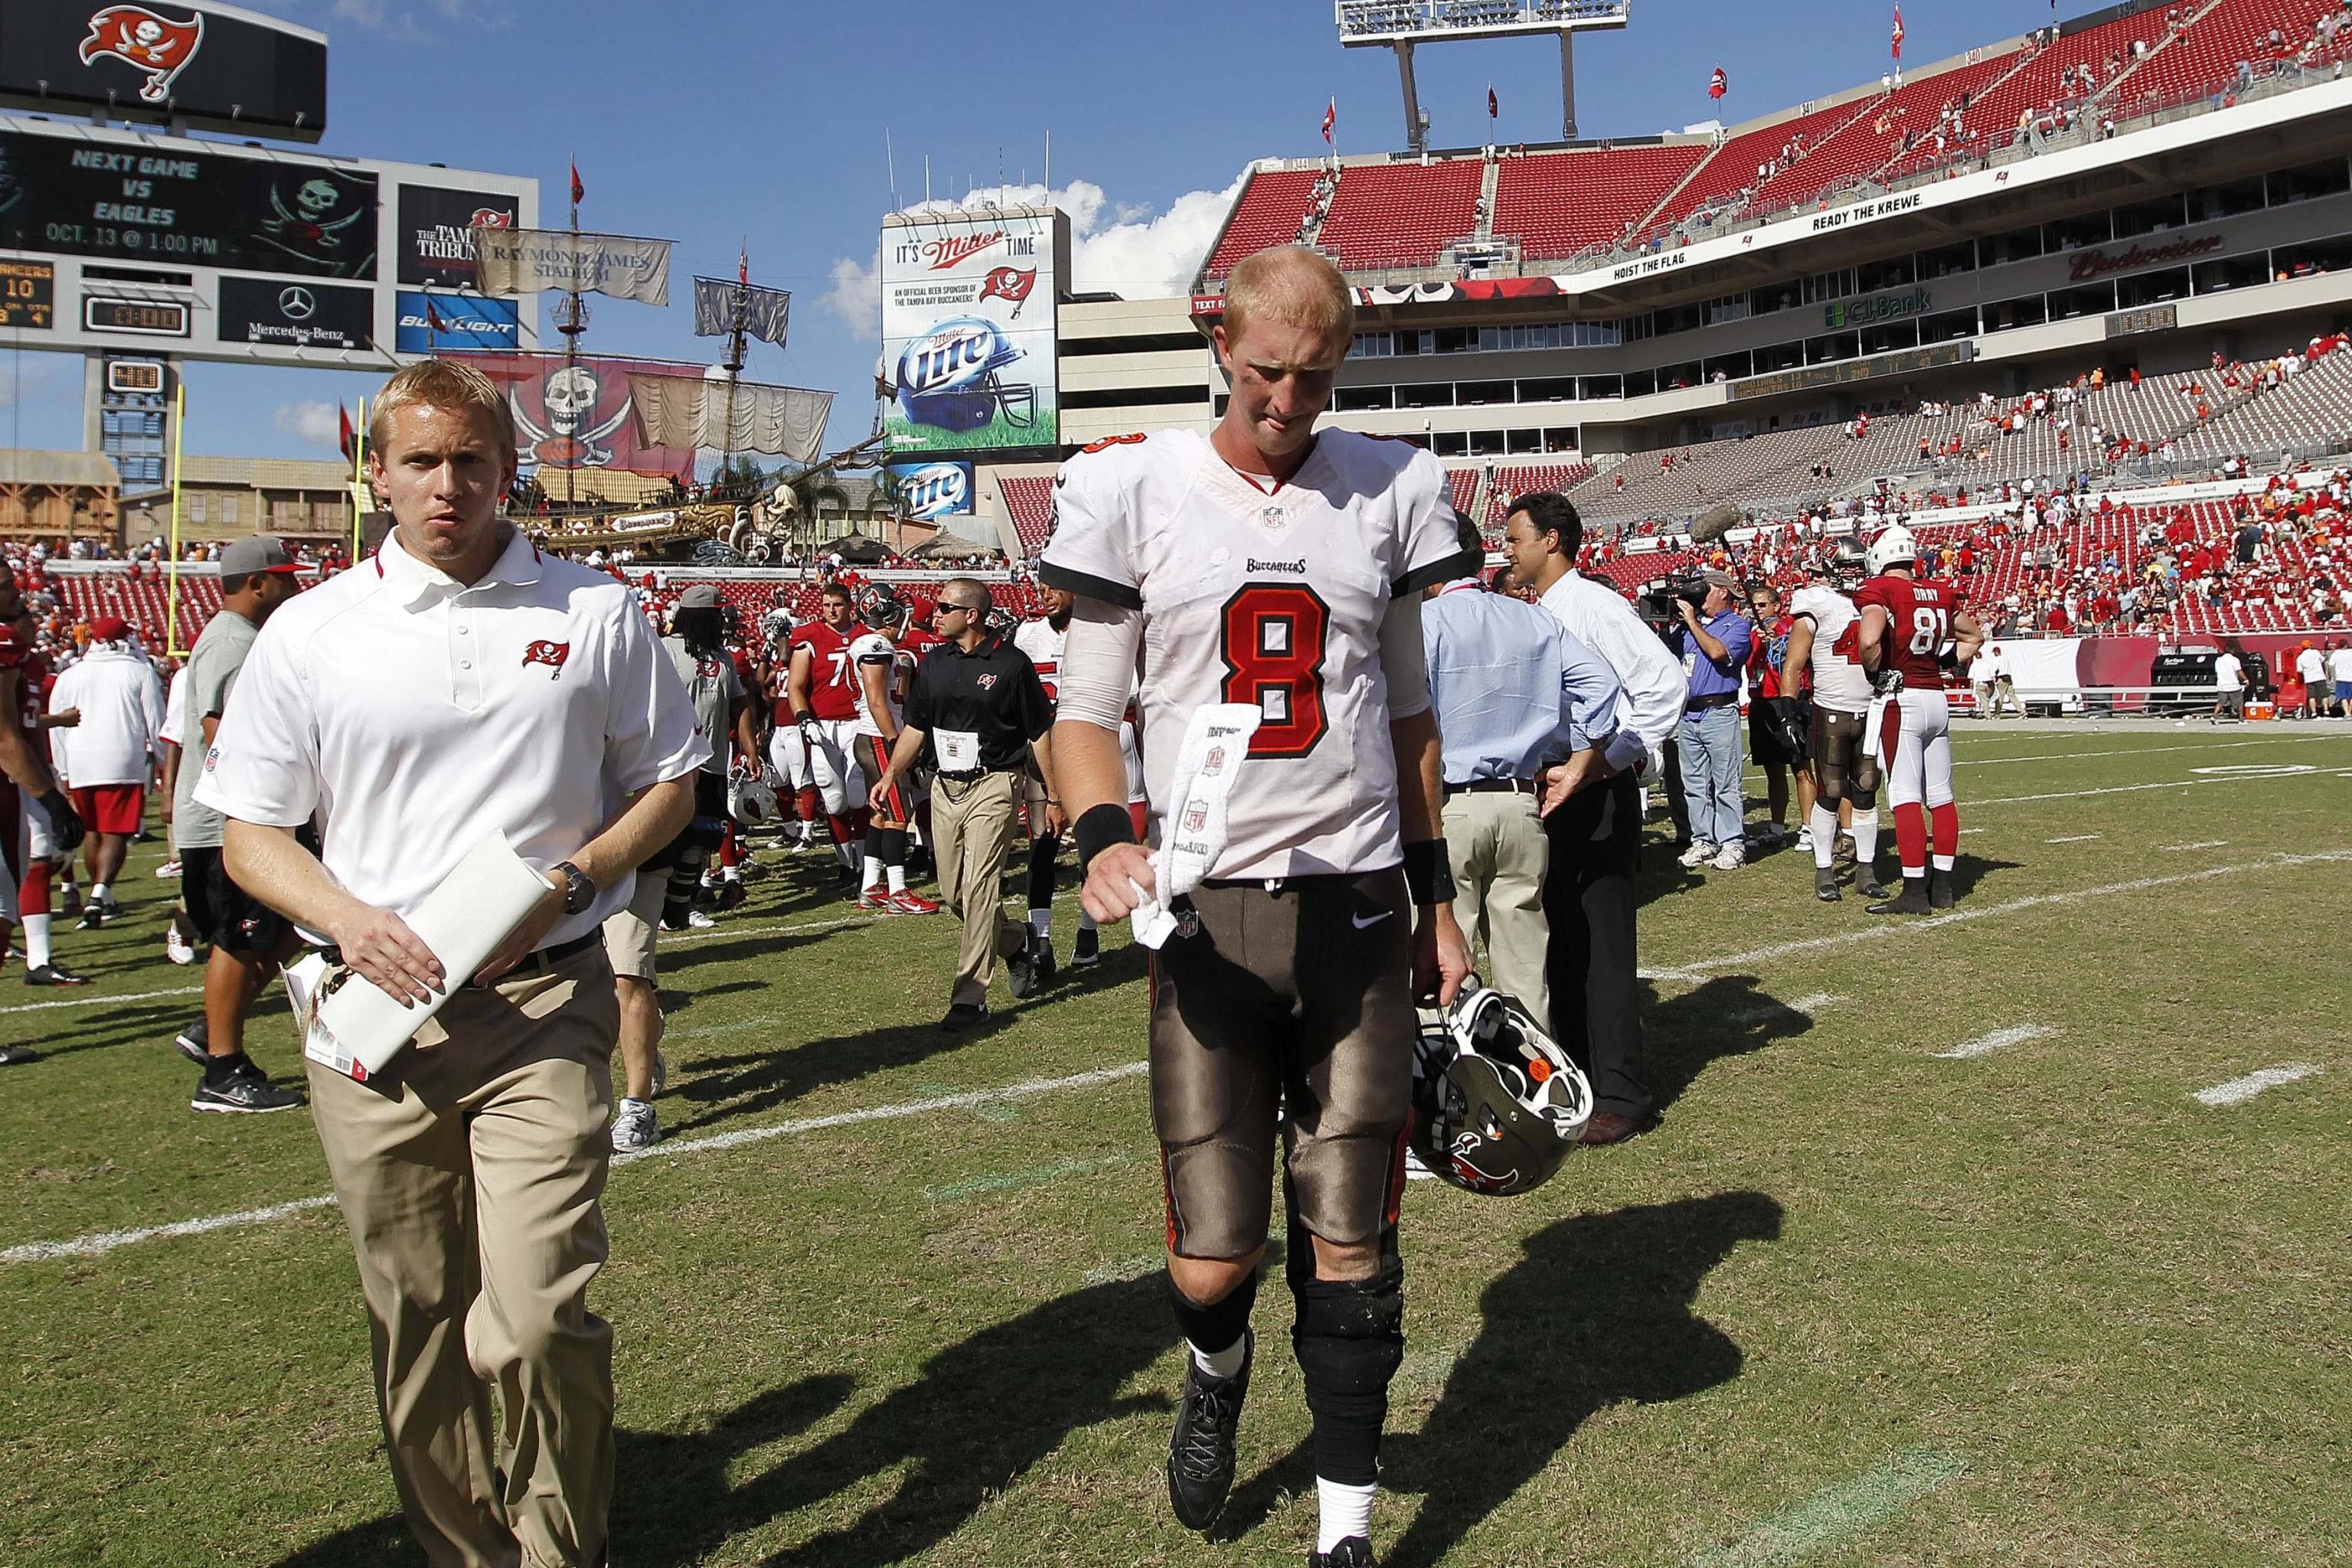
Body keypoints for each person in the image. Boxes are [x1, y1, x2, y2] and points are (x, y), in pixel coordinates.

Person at [197, 358, 704, 1568]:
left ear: (507, 468)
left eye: (470, 460)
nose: (447, 485)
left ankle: (562, 1551)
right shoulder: (314, 631)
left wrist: (574, 880)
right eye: (420, 461)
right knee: (415, 1321)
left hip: (544, 1001)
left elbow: (672, 785)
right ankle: (459, 1551)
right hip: (375, 1017)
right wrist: (347, 915)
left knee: (533, 1318)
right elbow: (250, 830)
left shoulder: (596, 612)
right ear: (376, 473)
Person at [1040, 244, 1475, 1568]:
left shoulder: (1393, 484)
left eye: (1318, 374)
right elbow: (1082, 714)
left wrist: (1434, 900)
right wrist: (1108, 837)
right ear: (1218, 340)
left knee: (1350, 1235)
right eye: (1269, 370)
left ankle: (1343, 1530)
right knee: (1213, 1257)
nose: (1289, 401)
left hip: (1351, 903)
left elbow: (1405, 716)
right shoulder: (1130, 486)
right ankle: (1216, 1368)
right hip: (1208, 914)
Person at [1501, 492, 1686, 1145]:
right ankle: (1579, 1075)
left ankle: (1622, 1093)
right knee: (1563, 940)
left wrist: (1608, 762)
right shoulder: (1545, 610)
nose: (1508, 550)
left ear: (1552, 540)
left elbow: (1664, 684)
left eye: (1517, 538)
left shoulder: (1595, 606)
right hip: (1557, 790)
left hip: (1595, 795)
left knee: (1604, 947)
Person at [1422, 517, 1620, 1034]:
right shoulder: (1532, 619)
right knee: (1526, 972)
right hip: (1518, 801)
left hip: (1449, 808)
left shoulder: (1426, 623)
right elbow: (1600, 684)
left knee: (1443, 967)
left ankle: (1450, 1092)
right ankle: (1535, 1096)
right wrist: (1581, 753)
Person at [867, 578, 1055, 1031]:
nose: (935, 613)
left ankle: (969, 997)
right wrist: (892, 772)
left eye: (945, 606)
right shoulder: (935, 662)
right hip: (944, 787)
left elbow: (1039, 732)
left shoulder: (1011, 664)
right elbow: (916, 726)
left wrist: (1052, 793)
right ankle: (1016, 942)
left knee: (980, 887)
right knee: (954, 893)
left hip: (995, 783)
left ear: (972, 614)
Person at [169, 536, 309, 1112]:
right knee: (238, 939)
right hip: (227, 819)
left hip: (236, 815)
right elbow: (217, 729)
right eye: (284, 576)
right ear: (257, 583)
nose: (294, 585)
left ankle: (215, 1030)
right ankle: (223, 1068)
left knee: (284, 931)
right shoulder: (234, 641)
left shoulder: (240, 637)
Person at [1854, 524, 1981, 913]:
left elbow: (1870, 639)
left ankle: (1912, 890)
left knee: (1905, 796)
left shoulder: (1881, 590)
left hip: (1903, 698)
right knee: (1941, 796)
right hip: (1936, 699)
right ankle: (1942, 885)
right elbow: (1973, 637)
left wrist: (1875, 673)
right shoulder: (1941, 591)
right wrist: (1943, 663)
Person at [45, 614, 165, 928]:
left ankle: (102, 896)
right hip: (121, 756)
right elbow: (156, 722)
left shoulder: (71, 675)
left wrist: (63, 768)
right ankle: (99, 895)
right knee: (115, 831)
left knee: (92, 830)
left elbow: (57, 726)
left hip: (79, 756)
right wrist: (165, 761)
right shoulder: (139, 671)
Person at [0, 577, 85, 1012]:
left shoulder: (30, 664)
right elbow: (6, 734)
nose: (27, 622)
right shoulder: (8, 650)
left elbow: (23, 723)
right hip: (15, 779)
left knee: (35, 864)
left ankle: (37, 954)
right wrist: (52, 799)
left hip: (27, 770)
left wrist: (56, 723)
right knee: (29, 870)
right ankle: (39, 958)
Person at [1783, 552, 1888, 902]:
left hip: (1870, 709)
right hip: (1832, 709)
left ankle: (1866, 871)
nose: (1852, 574)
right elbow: (1794, 663)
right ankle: (1825, 870)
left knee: (1867, 790)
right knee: (1830, 791)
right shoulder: (1817, 603)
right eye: (1845, 567)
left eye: (1857, 567)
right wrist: (1787, 709)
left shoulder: (1876, 600)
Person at [847, 586, 939, 916]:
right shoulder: (874, 645)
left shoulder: (878, 645)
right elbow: (876, 701)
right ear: (886, 612)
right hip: (877, 738)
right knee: (899, 813)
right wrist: (894, 742)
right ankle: (899, 890)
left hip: (874, 738)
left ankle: (870, 885)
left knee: (881, 813)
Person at [786, 582, 870, 893]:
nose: (831, 611)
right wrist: (804, 719)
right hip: (824, 726)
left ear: (849, 606)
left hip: (858, 722)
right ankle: (844, 864)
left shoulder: (865, 634)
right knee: (834, 800)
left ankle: (865, 864)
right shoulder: (810, 639)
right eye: (826, 605)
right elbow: (795, 685)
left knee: (859, 794)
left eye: (836, 604)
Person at [1669, 571, 1753, 870]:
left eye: (1709, 588)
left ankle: (1732, 843)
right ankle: (1703, 840)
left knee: (1725, 783)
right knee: (1693, 784)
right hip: (1688, 714)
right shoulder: (1685, 630)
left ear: (1724, 593)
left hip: (1718, 711)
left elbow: (1719, 652)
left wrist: (1691, 622)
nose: (1701, 593)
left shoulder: (1737, 626)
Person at [1744, 581, 1814, 851]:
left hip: (1788, 703)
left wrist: (1779, 642)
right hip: (1761, 703)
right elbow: (1746, 664)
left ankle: (1808, 827)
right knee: (1773, 769)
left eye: (1763, 605)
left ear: (1777, 605)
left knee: (1800, 767)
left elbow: (1799, 660)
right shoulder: (1752, 635)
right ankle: (1776, 828)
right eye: (1755, 605)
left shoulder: (1791, 629)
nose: (1758, 610)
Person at [2210, 645, 2247, 721]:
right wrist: (2245, 680)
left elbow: (2217, 671)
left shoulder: (2218, 660)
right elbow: (2239, 671)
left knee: (2220, 702)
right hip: (2233, 685)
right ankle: (2241, 719)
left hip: (2222, 685)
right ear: (2232, 651)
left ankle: (2214, 716)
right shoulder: (2235, 660)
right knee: (2239, 703)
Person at [2293, 641, 2327, 719]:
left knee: (2312, 696)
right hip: (2320, 676)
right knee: (2324, 695)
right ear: (2310, 646)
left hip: (2309, 678)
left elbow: (2299, 670)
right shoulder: (2316, 652)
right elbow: (2323, 660)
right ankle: (2326, 711)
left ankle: (2314, 713)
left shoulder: (2300, 657)